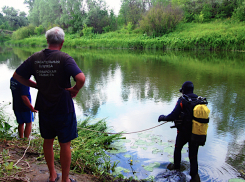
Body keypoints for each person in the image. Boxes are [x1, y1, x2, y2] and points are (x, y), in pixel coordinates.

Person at [13, 27, 86, 182]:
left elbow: (17, 76)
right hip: (64, 108)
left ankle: (52, 175)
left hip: (45, 107)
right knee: (65, 144)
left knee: (48, 141)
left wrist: (36, 86)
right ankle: (65, 179)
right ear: (62, 42)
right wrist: (75, 89)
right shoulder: (65, 58)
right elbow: (81, 78)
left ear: (47, 41)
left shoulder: (35, 58)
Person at [158, 81, 201, 182]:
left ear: (184, 90)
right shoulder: (199, 101)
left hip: (183, 132)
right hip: (196, 133)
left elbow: (173, 115)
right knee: (193, 156)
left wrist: (162, 117)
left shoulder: (183, 100)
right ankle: (195, 176)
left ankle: (176, 170)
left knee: (178, 149)